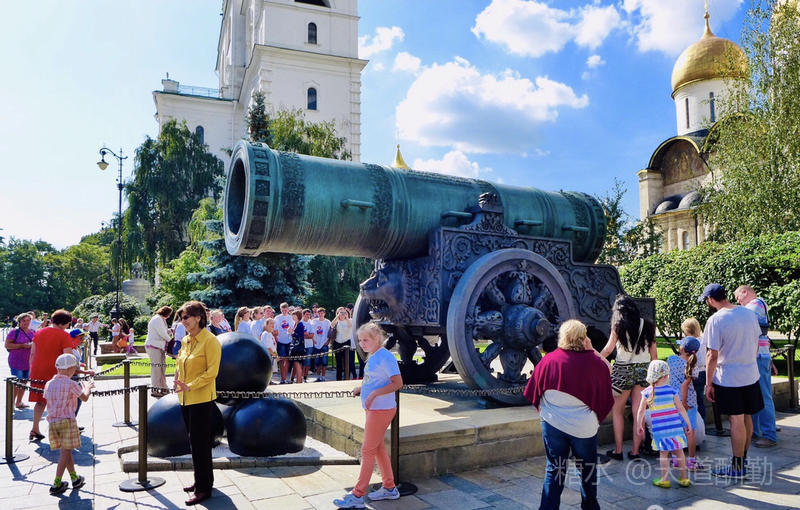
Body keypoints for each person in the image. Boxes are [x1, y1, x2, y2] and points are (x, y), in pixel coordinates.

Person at [524, 320, 613, 510]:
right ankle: (590, 507)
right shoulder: (595, 363)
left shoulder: (548, 360)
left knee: (554, 469)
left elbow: (534, 391)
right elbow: (609, 371)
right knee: (587, 470)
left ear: (562, 337)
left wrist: (547, 413)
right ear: (584, 338)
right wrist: (593, 351)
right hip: (584, 427)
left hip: (553, 424)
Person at [333, 323, 403, 509]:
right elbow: (374, 379)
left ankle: (357, 495)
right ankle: (389, 487)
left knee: (367, 450)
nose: (362, 343)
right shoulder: (375, 355)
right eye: (360, 340)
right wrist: (362, 389)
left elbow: (397, 383)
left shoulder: (385, 357)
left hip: (381, 409)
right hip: (374, 409)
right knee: (377, 448)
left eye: (366, 340)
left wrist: (373, 394)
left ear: (377, 339)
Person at [700, 283, 763, 478]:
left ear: (711, 300)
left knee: (736, 420)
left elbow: (712, 355)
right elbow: (756, 343)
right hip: (750, 374)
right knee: (747, 417)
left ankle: (737, 467)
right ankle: (743, 459)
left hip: (729, 377)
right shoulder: (749, 314)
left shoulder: (716, 319)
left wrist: (708, 383)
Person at [173, 301, 222, 506]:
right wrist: (176, 379)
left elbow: (212, 372)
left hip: (201, 400)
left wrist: (190, 386)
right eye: (181, 318)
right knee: (195, 443)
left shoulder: (210, 341)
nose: (182, 321)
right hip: (185, 398)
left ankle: (204, 488)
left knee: (201, 444)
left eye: (186, 317)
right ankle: (201, 480)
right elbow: (180, 363)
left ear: (198, 318)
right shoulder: (186, 340)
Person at [599, 294, 657, 460]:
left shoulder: (618, 326)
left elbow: (608, 349)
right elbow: (654, 355)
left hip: (622, 370)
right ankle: (635, 451)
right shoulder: (648, 325)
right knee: (639, 411)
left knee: (617, 412)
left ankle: (618, 450)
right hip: (643, 370)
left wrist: (596, 358)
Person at [636, 360, 693, 488]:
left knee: (664, 453)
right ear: (667, 375)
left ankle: (664, 479)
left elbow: (641, 411)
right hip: (675, 428)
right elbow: (681, 409)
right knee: (679, 452)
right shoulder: (672, 391)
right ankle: (684, 478)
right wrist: (688, 423)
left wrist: (639, 425)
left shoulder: (648, 392)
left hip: (660, 430)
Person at [735, 285, 778, 448]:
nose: (737, 301)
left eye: (738, 297)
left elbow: (740, 320)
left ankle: (769, 435)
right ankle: (755, 431)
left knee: (763, 396)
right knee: (754, 396)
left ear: (745, 292)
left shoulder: (756, 304)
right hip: (758, 356)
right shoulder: (757, 306)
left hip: (758, 357)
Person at [44, 354, 93, 495]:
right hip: (67, 421)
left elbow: (47, 400)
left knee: (67, 451)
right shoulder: (71, 383)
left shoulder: (49, 384)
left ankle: (75, 478)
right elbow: (84, 398)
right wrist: (87, 387)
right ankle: (56, 483)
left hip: (53, 422)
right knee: (65, 453)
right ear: (71, 369)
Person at [29, 309, 75, 441]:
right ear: (63, 323)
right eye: (68, 323)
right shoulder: (64, 335)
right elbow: (68, 357)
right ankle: (58, 430)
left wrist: (31, 370)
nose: (68, 326)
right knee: (59, 401)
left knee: (40, 401)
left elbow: (32, 353)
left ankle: (35, 428)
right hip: (55, 370)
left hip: (37, 370)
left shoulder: (39, 332)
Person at [667, 336, 704, 470]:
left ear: (682, 348)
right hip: (689, 403)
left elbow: (681, 385)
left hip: (674, 401)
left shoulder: (671, 360)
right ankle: (691, 461)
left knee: (675, 430)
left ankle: (675, 459)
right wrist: (685, 403)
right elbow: (685, 385)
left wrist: (682, 402)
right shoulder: (693, 366)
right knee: (690, 430)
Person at [681, 318, 707, 425]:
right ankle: (702, 423)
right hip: (703, 372)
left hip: (693, 373)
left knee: (692, 399)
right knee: (700, 399)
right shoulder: (703, 341)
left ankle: (693, 422)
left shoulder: (688, 342)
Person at [6, 312, 34, 409]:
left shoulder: (32, 332)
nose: (26, 322)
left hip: (28, 362)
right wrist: (22, 345)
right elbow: (7, 345)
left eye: (28, 320)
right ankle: (11, 404)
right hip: (16, 361)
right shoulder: (14, 332)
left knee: (24, 383)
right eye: (24, 320)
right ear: (19, 321)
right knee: (16, 383)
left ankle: (19, 402)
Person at [146, 306, 174, 398]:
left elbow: (163, 331)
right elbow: (162, 333)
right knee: (156, 369)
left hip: (158, 347)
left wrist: (170, 330)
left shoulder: (160, 319)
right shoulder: (157, 319)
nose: (169, 316)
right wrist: (172, 342)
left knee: (162, 368)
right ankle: (155, 389)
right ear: (166, 313)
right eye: (169, 314)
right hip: (154, 346)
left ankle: (163, 388)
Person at [331, 307, 355, 381]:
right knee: (339, 363)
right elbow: (332, 325)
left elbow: (351, 326)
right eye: (340, 312)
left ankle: (346, 378)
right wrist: (337, 316)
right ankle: (338, 379)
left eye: (344, 312)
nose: (342, 314)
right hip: (337, 343)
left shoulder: (349, 320)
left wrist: (346, 317)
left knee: (346, 362)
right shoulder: (336, 321)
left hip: (346, 342)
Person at [275, 303, 295, 384]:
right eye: (282, 310)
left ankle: (285, 378)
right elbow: (275, 331)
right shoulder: (277, 318)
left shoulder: (291, 318)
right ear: (280, 309)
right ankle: (282, 379)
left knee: (287, 360)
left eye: (285, 310)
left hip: (289, 341)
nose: (284, 311)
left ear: (288, 309)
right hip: (280, 341)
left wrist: (291, 332)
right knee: (282, 360)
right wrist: (276, 339)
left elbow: (294, 329)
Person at [311, 308, 331, 381]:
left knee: (324, 362)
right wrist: (313, 340)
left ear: (324, 314)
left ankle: (323, 377)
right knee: (317, 362)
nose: (320, 314)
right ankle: (318, 376)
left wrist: (328, 341)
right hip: (316, 344)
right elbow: (312, 331)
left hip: (324, 344)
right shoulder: (314, 321)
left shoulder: (327, 322)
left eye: (322, 313)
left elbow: (330, 333)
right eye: (319, 313)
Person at [289, 310, 307, 384]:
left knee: (297, 364)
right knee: (296, 364)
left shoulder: (300, 324)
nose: (293, 316)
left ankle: (299, 381)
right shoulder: (295, 324)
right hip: (296, 347)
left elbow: (300, 336)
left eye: (294, 315)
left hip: (298, 347)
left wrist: (292, 332)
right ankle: (297, 380)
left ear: (298, 316)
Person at [301, 309, 315, 382]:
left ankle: (305, 377)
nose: (308, 316)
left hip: (309, 345)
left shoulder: (311, 324)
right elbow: (300, 335)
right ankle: (301, 376)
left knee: (308, 362)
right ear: (303, 315)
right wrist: (306, 334)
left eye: (309, 314)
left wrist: (306, 334)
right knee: (302, 362)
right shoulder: (300, 323)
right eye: (306, 314)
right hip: (302, 345)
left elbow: (312, 335)